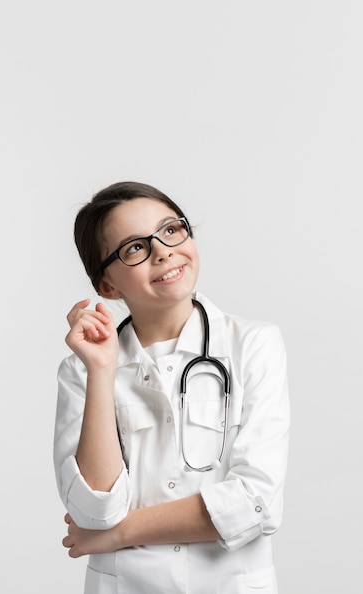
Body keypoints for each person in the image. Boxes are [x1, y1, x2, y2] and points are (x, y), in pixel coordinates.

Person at [54, 181, 290, 593]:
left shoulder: (253, 344)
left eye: (170, 230)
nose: (162, 251)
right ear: (107, 285)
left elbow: (256, 503)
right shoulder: (82, 372)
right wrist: (103, 370)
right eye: (133, 248)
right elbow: (93, 511)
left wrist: (118, 535)